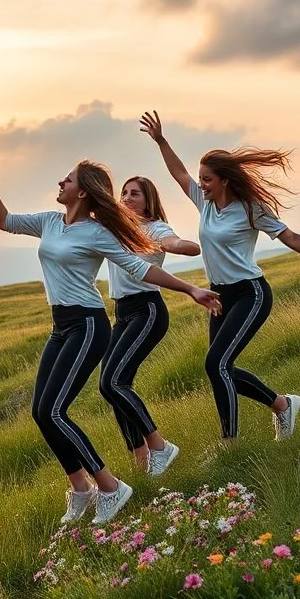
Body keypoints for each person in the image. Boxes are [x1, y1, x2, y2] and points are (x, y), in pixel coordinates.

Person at [0, 148, 223, 525]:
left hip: (88, 324)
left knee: (56, 410)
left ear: (82, 192)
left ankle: (110, 487)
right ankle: (83, 490)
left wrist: (190, 289)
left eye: (67, 179)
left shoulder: (98, 232)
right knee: (42, 411)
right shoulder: (50, 222)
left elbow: (139, 268)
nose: (60, 182)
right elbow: (3, 220)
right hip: (61, 326)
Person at [139, 111, 300, 443]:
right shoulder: (205, 204)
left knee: (217, 364)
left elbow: (290, 237)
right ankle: (282, 404)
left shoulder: (250, 208)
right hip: (220, 296)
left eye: (207, 180)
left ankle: (229, 444)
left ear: (225, 181)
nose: (200, 185)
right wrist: (161, 140)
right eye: (201, 179)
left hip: (250, 293)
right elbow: (178, 174)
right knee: (218, 367)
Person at [101, 176, 200, 475]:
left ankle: (160, 447)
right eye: (124, 192)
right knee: (111, 387)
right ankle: (143, 463)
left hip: (147, 311)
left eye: (135, 194)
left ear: (149, 201)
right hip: (121, 313)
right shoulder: (114, 228)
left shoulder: (155, 228)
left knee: (113, 382)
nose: (128, 197)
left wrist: (181, 246)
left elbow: (173, 241)